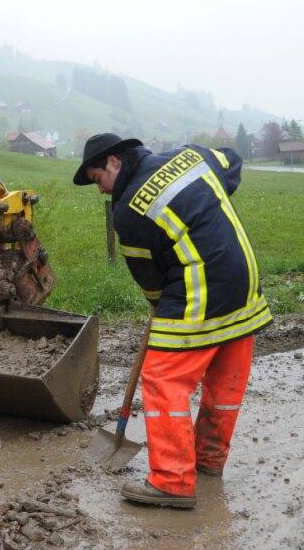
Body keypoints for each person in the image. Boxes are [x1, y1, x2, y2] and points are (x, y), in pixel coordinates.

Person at [74, 134, 272, 509]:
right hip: (244, 277)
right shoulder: (192, 155)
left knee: (162, 377)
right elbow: (232, 164)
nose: (101, 191)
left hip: (200, 290)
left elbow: (151, 284)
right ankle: (208, 462)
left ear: (114, 162)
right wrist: (206, 215)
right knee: (225, 378)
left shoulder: (129, 211)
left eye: (98, 178)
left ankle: (172, 481)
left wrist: (159, 309)